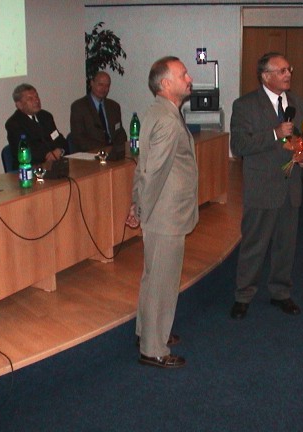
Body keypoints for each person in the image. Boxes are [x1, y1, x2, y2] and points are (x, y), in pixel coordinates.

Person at [125, 56, 198, 369]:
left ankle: (147, 332)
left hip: (159, 210)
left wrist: (136, 203)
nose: (189, 78)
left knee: (153, 276)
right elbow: (154, 172)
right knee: (162, 281)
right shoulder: (167, 119)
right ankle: (153, 349)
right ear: (166, 83)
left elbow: (143, 166)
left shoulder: (157, 111)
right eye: (183, 74)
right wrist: (141, 209)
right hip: (166, 213)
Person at [229, 52, 303, 320]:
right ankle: (243, 296)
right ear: (265, 76)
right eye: (282, 70)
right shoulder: (245, 105)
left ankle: (281, 292)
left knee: (286, 245)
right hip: (261, 187)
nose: (288, 74)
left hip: (290, 187)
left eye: (289, 69)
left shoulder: (297, 103)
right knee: (254, 245)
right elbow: (239, 145)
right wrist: (275, 133)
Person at [5, 83, 68, 170]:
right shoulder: (13, 124)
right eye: (30, 99)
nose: (36, 100)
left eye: (36, 96)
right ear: (19, 105)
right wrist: (51, 153)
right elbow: (28, 152)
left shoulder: (46, 116)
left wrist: (60, 150)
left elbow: (60, 139)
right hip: (29, 169)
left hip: (53, 166)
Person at [69, 71, 127, 153]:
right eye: (100, 85)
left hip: (113, 152)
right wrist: (104, 149)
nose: (104, 89)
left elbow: (120, 133)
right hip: (91, 153)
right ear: (92, 83)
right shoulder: (79, 107)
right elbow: (79, 138)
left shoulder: (114, 106)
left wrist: (117, 148)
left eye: (107, 86)